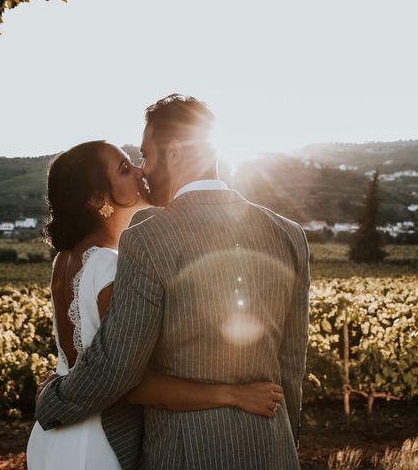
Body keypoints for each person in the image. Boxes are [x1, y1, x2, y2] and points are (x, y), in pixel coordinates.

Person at [35, 93, 310, 469]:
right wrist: (284, 441)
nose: (143, 170)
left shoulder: (147, 240)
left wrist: (53, 399)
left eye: (146, 155)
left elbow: (118, 366)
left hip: (185, 453)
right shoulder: (290, 233)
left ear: (176, 152)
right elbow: (291, 366)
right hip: (271, 446)